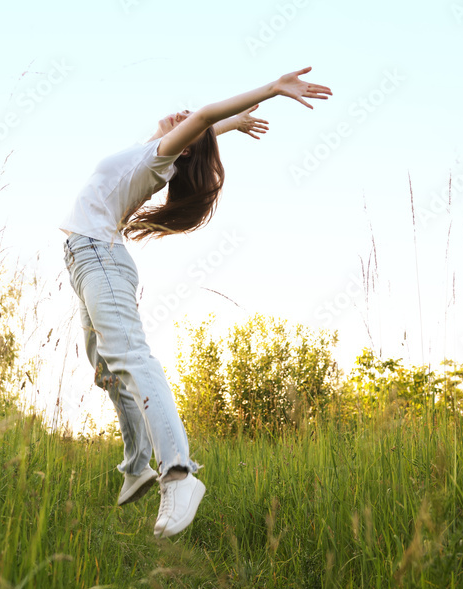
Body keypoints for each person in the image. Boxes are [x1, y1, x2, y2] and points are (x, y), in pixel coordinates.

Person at [60, 66, 332, 538]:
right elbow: (203, 125)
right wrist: (231, 125)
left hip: (99, 256)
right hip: (88, 258)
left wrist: (271, 89)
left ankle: (178, 474)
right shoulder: (150, 152)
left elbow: (202, 116)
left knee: (130, 357)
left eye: (189, 124)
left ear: (183, 145)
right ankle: (137, 466)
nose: (184, 114)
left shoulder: (158, 159)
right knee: (105, 370)